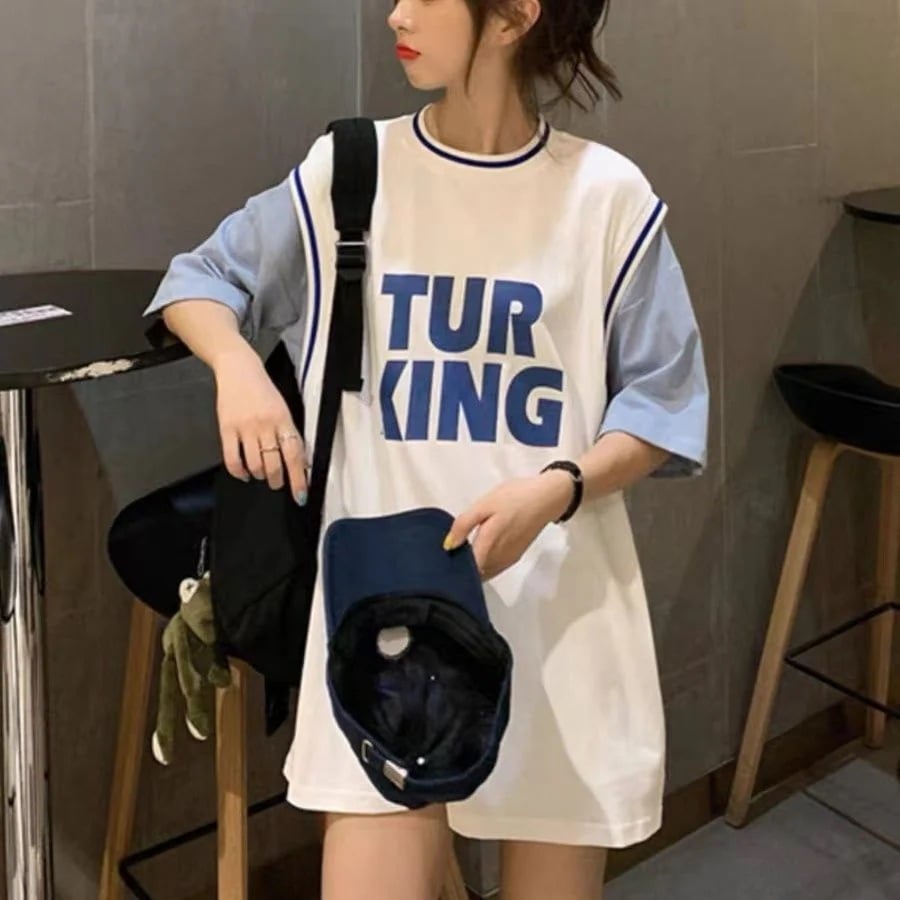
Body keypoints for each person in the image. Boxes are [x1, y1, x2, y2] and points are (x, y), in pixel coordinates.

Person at [145, 1, 709, 897]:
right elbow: (200, 280)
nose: (396, 13)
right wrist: (238, 368)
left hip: (560, 627)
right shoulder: (353, 172)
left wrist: (558, 488)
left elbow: (663, 405)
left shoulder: (608, 198)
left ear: (514, 15)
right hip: (382, 635)